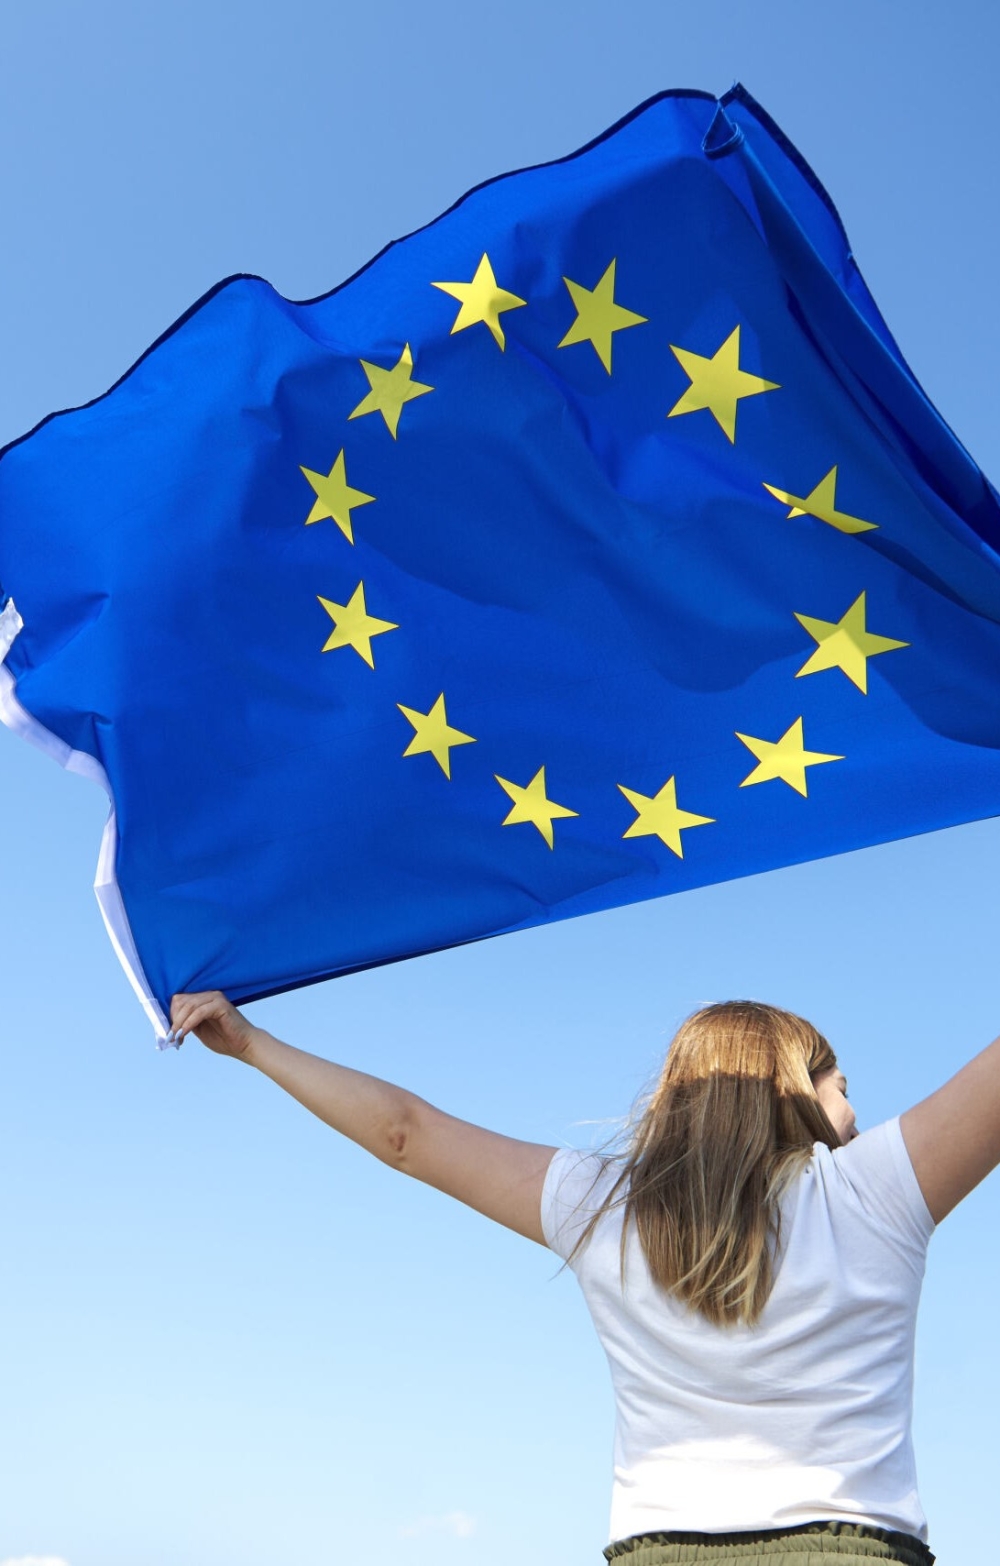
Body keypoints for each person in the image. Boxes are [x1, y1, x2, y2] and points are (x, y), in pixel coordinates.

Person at [167, 991, 1000, 1566]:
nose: (854, 1112)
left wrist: (253, 1045)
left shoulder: (602, 1206)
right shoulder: (877, 1190)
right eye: (843, 1090)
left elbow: (404, 1134)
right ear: (797, 1090)